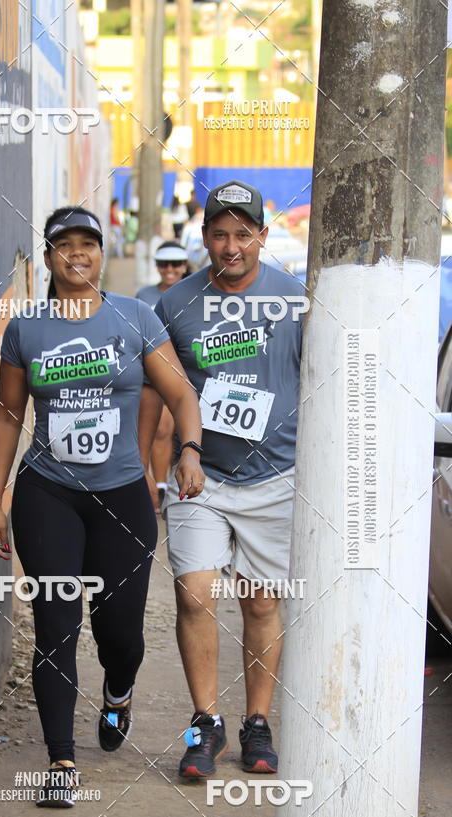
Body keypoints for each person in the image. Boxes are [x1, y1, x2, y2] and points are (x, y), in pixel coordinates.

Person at [0, 205, 204, 807]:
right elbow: (8, 415)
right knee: (56, 625)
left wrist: (188, 450)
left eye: (88, 243)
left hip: (122, 497)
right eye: (64, 245)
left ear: (101, 252)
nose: (76, 254)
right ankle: (61, 760)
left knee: (121, 633)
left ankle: (117, 692)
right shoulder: (26, 329)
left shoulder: (133, 319)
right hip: (47, 493)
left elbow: (181, 391)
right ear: (48, 256)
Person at [139, 180, 306, 779]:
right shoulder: (174, 304)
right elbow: (154, 397)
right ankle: (204, 722)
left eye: (243, 234)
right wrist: (146, 472)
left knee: (261, 604)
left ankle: (257, 723)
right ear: (203, 236)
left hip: (276, 478)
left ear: (261, 236)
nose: (230, 246)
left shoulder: (296, 300)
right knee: (194, 594)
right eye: (219, 234)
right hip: (198, 475)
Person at [136, 242, 190, 508]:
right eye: (163, 264)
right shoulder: (143, 295)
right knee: (161, 428)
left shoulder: (194, 293)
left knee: (181, 431)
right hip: (154, 371)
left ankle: (171, 483)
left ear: (185, 266)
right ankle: (158, 490)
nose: (170, 270)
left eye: (176, 264)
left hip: (188, 371)